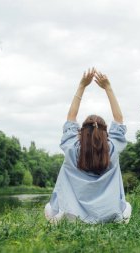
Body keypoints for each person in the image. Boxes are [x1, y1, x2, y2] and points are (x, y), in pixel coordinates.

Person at [44, 67, 132, 224]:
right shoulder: (112, 149)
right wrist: (108, 88)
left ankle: (62, 218)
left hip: (72, 217)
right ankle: (116, 219)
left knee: (48, 209)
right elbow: (119, 118)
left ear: (81, 132)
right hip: (108, 216)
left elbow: (71, 117)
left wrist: (82, 85)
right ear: (106, 133)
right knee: (127, 207)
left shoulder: (71, 148)